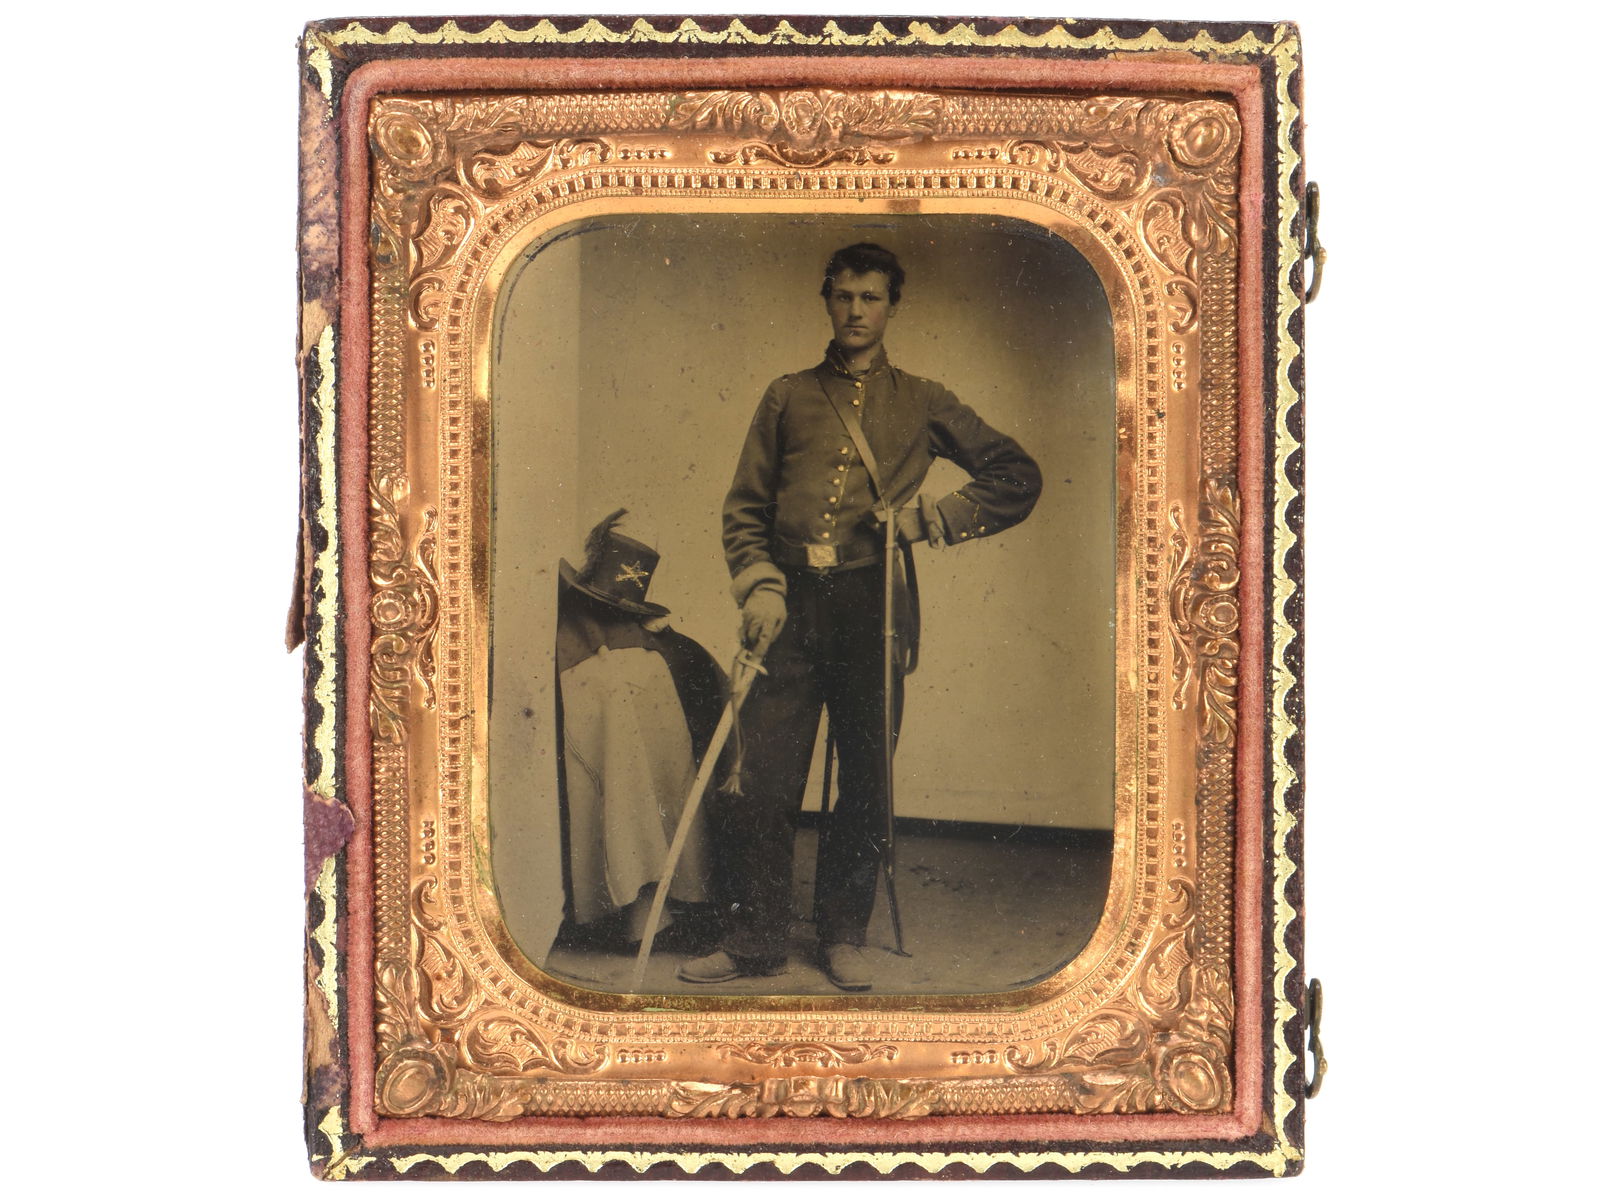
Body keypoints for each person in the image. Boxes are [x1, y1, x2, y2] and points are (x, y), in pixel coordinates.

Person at [678, 243, 1043, 991]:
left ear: (890, 306)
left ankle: (843, 933)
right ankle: (754, 942)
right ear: (827, 301)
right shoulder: (786, 396)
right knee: (763, 777)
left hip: (873, 607)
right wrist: (760, 586)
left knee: (867, 779)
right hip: (789, 604)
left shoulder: (924, 398)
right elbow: (745, 510)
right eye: (843, 296)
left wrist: (929, 521)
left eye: (870, 298)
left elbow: (1017, 475)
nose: (855, 311)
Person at [554, 510, 725, 954]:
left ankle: (675, 896)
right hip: (596, 695)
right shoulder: (572, 638)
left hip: (641, 692)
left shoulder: (650, 650)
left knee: (663, 747)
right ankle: (638, 908)